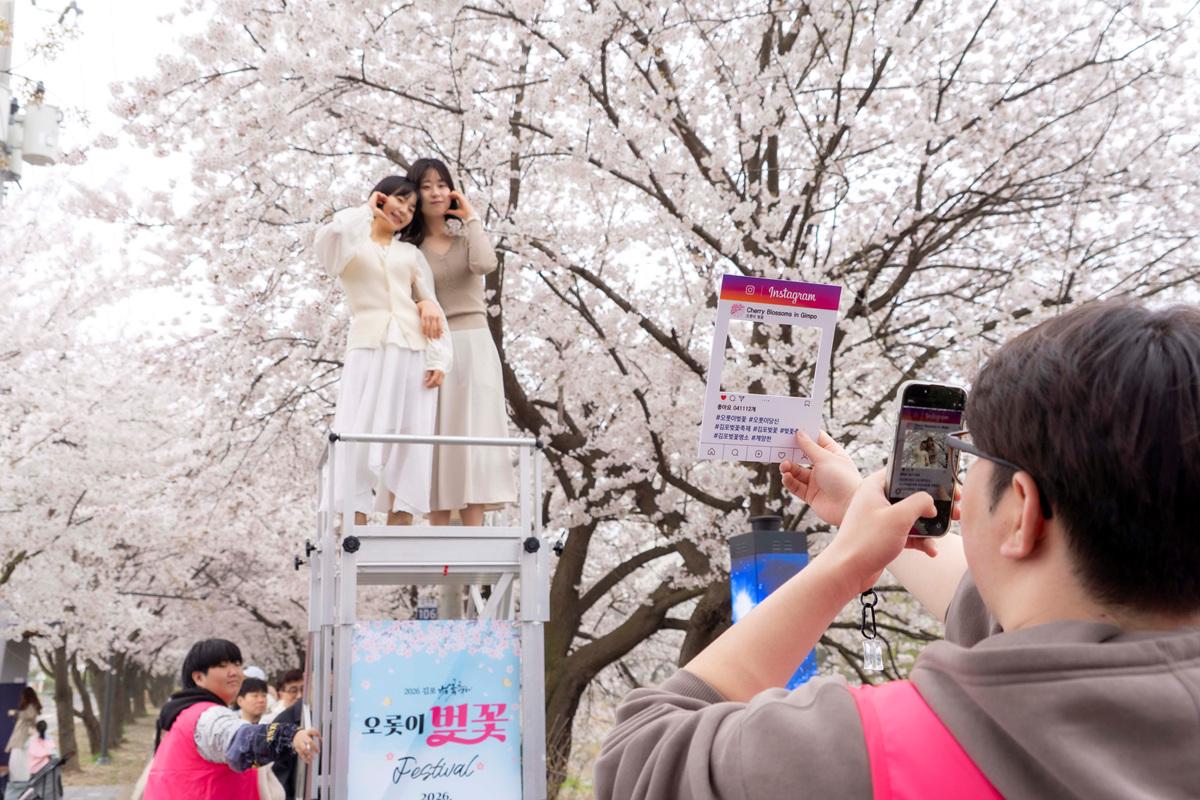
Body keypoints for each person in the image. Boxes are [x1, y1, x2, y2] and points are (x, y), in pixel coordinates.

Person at [594, 301, 1200, 798]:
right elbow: (1003, 600)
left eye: (971, 459)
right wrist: (865, 510)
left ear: (1019, 508)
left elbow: (639, 763)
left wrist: (839, 566)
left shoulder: (861, 753)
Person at [315, 175, 451, 525]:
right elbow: (330, 238)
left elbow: (430, 304)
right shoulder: (349, 246)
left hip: (412, 350)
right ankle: (352, 522)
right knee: (357, 427)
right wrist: (365, 210)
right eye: (399, 201)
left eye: (411, 207)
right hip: (368, 346)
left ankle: (401, 519)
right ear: (380, 198)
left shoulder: (410, 254)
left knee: (412, 432)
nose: (404, 210)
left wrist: (439, 356)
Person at [404, 158, 516, 527]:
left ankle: (475, 539)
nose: (435, 192)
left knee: (475, 433)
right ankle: (438, 544)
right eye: (425, 186)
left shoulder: (467, 237)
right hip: (434, 347)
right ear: (414, 193)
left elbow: (485, 265)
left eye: (441, 184)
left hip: (474, 342)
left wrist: (471, 217)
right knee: (439, 437)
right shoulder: (409, 249)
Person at [144, 639, 319, 800]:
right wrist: (288, 736)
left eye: (237, 664)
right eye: (222, 666)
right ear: (198, 677)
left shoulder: (185, 713)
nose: (234, 672)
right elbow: (240, 740)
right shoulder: (206, 717)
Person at [4, 687, 40, 786]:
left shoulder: (31, 707)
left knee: (17, 761)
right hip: (22, 739)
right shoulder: (31, 706)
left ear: (27, 696)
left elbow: (27, 715)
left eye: (23, 696)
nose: (21, 697)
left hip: (23, 739)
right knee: (19, 761)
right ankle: (21, 780)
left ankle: (20, 781)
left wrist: (14, 713)